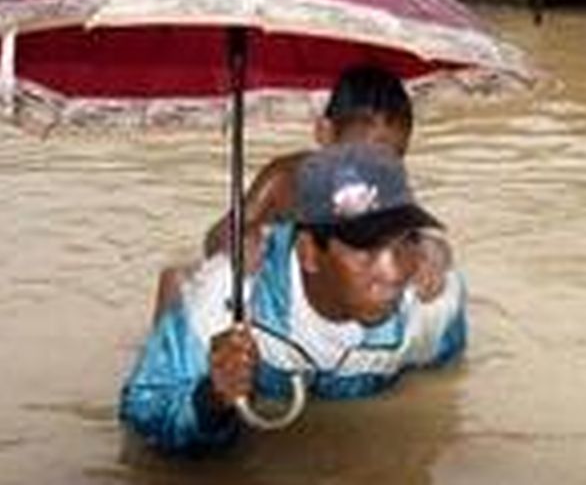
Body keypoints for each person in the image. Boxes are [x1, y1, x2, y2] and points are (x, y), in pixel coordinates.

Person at [121, 142, 467, 455]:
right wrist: (211, 399)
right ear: (308, 253)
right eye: (366, 249)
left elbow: (442, 387)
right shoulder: (231, 296)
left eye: (407, 241)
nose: (394, 273)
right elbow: (144, 412)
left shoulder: (430, 302)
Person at [151, 65, 450, 322]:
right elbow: (215, 238)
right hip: (273, 288)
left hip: (328, 302)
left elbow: (417, 239)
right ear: (325, 133)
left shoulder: (387, 192)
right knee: (175, 279)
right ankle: (164, 357)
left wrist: (434, 251)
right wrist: (241, 238)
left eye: (390, 160)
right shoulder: (285, 178)